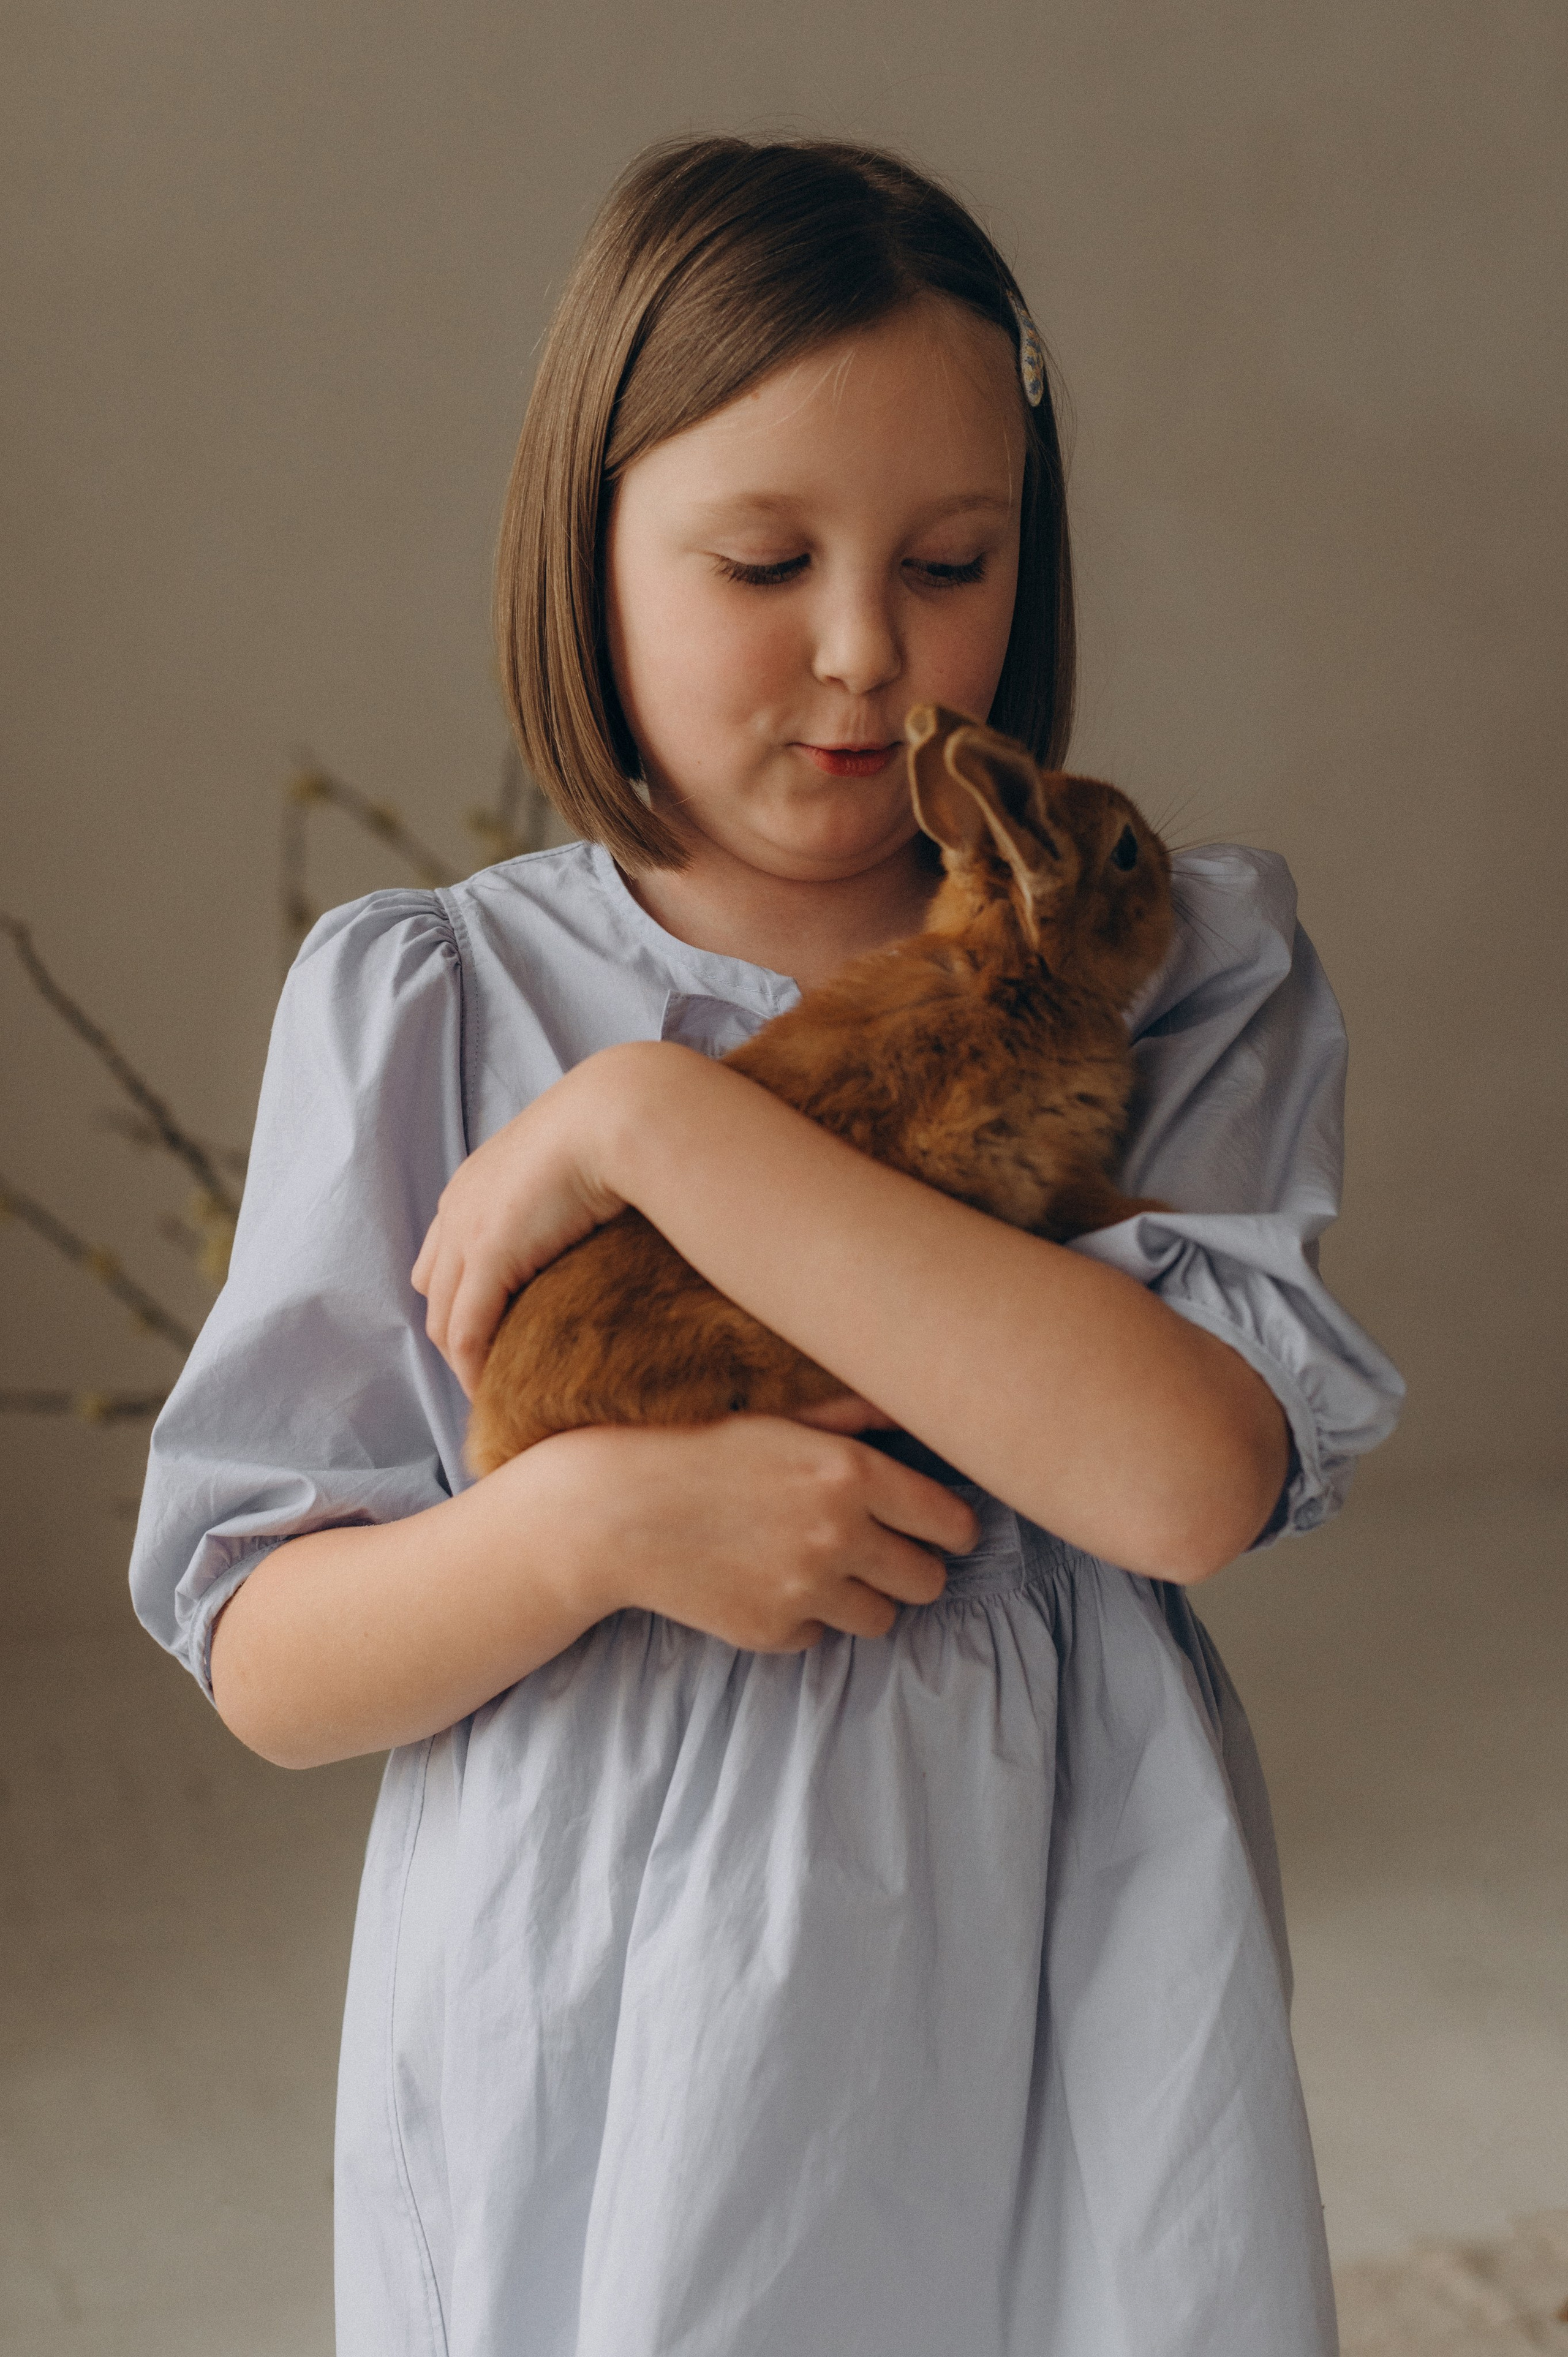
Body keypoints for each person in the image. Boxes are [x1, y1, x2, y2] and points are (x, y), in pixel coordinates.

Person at [130, 137, 1403, 2356]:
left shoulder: (1156, 963)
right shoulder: (433, 1002)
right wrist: (590, 1527)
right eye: (756, 560)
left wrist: (653, 1123)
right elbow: (265, 1644)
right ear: (589, 552)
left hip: (1053, 1958)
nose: (869, 658)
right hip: (613, 1992)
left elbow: (1183, 1481)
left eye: (949, 561)